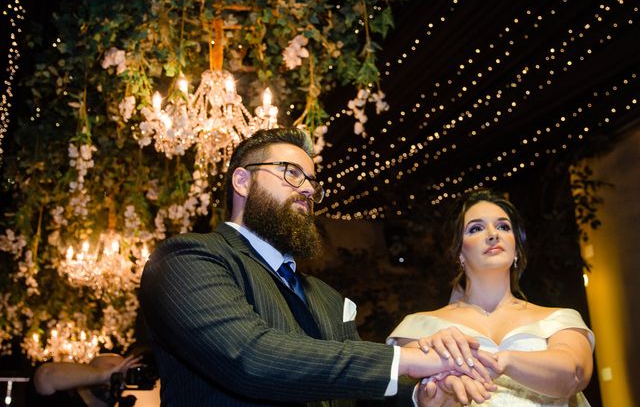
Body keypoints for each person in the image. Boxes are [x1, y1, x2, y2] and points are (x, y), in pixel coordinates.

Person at [139, 128, 498, 407]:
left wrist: (426, 396)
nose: (308, 190)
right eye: (291, 173)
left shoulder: (326, 296)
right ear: (242, 181)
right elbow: (249, 357)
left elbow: (352, 389)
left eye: (312, 181)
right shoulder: (187, 258)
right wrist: (406, 359)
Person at [387, 190, 595, 406]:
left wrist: (502, 360)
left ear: (516, 249)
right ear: (459, 252)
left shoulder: (559, 320)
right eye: (476, 228)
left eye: (503, 227)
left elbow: (574, 375)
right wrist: (438, 393)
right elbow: (412, 392)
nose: (493, 234)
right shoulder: (419, 327)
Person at [31, 353, 143, 406]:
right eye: (111, 367)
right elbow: (45, 375)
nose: (118, 374)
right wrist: (104, 376)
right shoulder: (62, 397)